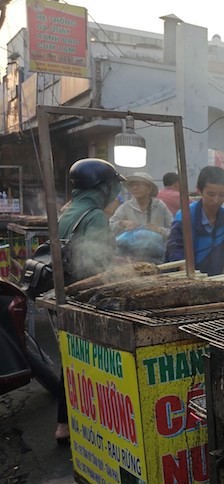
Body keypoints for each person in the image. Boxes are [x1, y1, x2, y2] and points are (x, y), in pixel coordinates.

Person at [54, 158, 126, 443]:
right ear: (102, 187)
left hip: (68, 291)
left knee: (71, 359)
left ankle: (64, 424)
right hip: (88, 295)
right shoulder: (94, 215)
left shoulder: (68, 209)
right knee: (92, 360)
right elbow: (101, 262)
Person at [165, 166, 224, 276]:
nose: (216, 200)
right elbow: (175, 252)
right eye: (211, 194)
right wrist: (193, 277)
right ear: (199, 190)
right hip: (184, 278)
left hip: (215, 278)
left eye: (222, 195)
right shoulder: (185, 216)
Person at [109, 172, 173, 238]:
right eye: (132, 185)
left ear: (149, 189)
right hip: (131, 247)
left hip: (157, 247)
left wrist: (159, 230)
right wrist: (123, 223)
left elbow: (174, 231)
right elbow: (109, 226)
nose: (135, 188)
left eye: (138, 185)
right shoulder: (126, 206)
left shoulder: (160, 206)